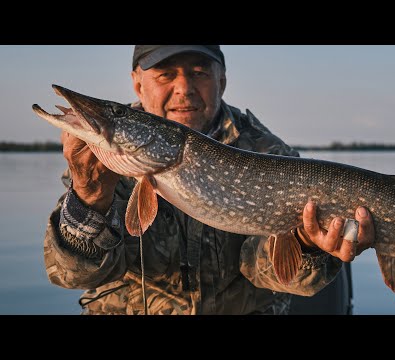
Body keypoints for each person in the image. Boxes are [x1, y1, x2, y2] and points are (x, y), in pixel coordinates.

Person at [43, 45, 375, 315]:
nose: (184, 88)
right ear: (137, 83)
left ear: (222, 81)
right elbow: (74, 275)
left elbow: (266, 272)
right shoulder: (103, 158)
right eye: (165, 74)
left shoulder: (269, 153)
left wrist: (304, 243)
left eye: (199, 73)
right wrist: (89, 196)